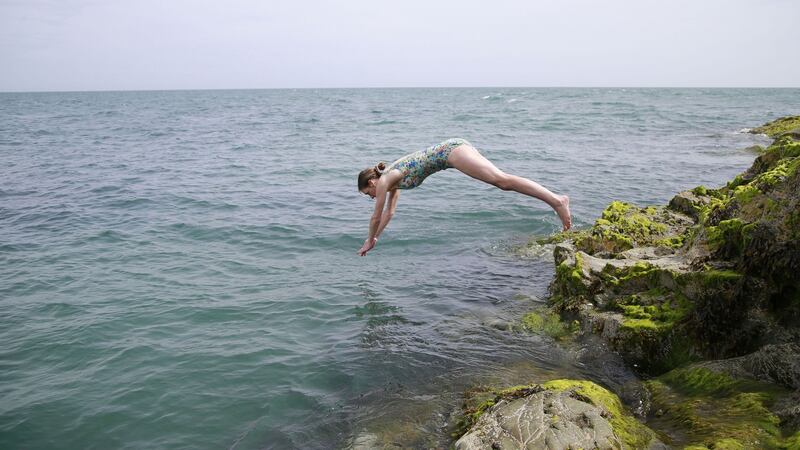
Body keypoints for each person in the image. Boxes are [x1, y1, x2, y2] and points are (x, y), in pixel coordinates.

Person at [356, 138, 571, 256]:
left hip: (452, 152)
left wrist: (368, 239)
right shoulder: (392, 182)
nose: (372, 198)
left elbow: (376, 216)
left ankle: (557, 201)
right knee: (502, 182)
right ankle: (556, 201)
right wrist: (375, 238)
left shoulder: (385, 180)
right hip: (452, 153)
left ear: (372, 183)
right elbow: (389, 213)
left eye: (368, 194)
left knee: (502, 181)